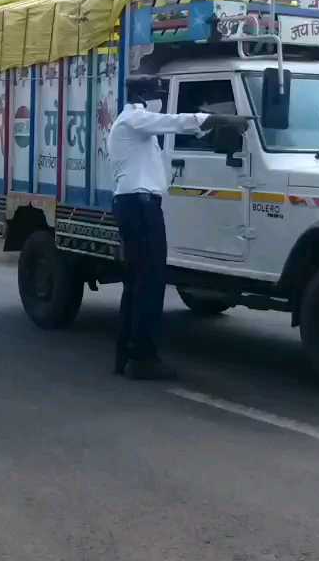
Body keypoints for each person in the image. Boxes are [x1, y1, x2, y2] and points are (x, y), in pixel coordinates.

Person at [106, 78, 250, 380]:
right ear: (143, 96)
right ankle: (143, 359)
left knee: (136, 284)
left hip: (136, 205)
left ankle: (126, 356)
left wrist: (208, 128)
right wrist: (215, 118)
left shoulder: (137, 130)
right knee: (150, 282)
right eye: (157, 94)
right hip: (140, 207)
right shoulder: (134, 120)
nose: (161, 99)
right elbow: (172, 121)